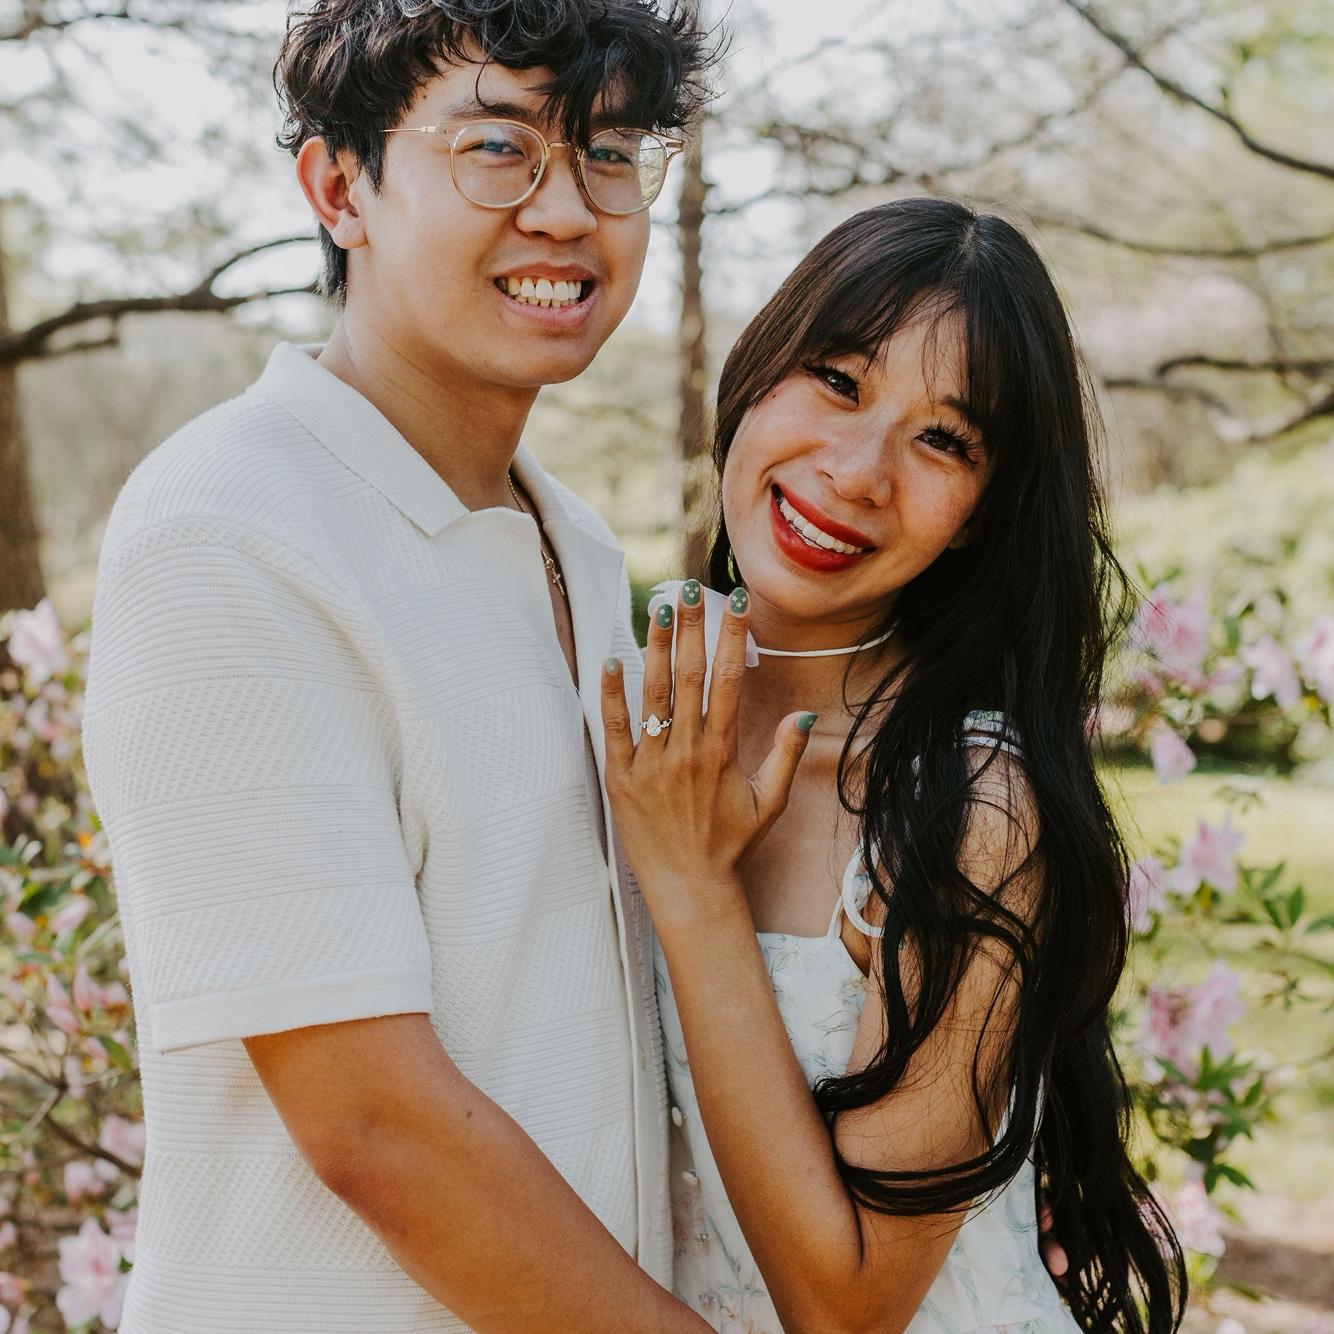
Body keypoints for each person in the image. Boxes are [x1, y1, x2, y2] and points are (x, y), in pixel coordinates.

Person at [81, 1, 720, 1329]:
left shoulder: (574, 540)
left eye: (608, 153)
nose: (565, 210)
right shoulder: (228, 529)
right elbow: (372, 1120)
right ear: (337, 188)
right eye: (497, 148)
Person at [599, 199, 1188, 1332]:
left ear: (978, 514)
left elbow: (848, 1306)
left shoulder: (971, 810)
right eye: (837, 380)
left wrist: (692, 882)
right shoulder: (631, 710)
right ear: (755, 370)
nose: (858, 471)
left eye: (941, 440)